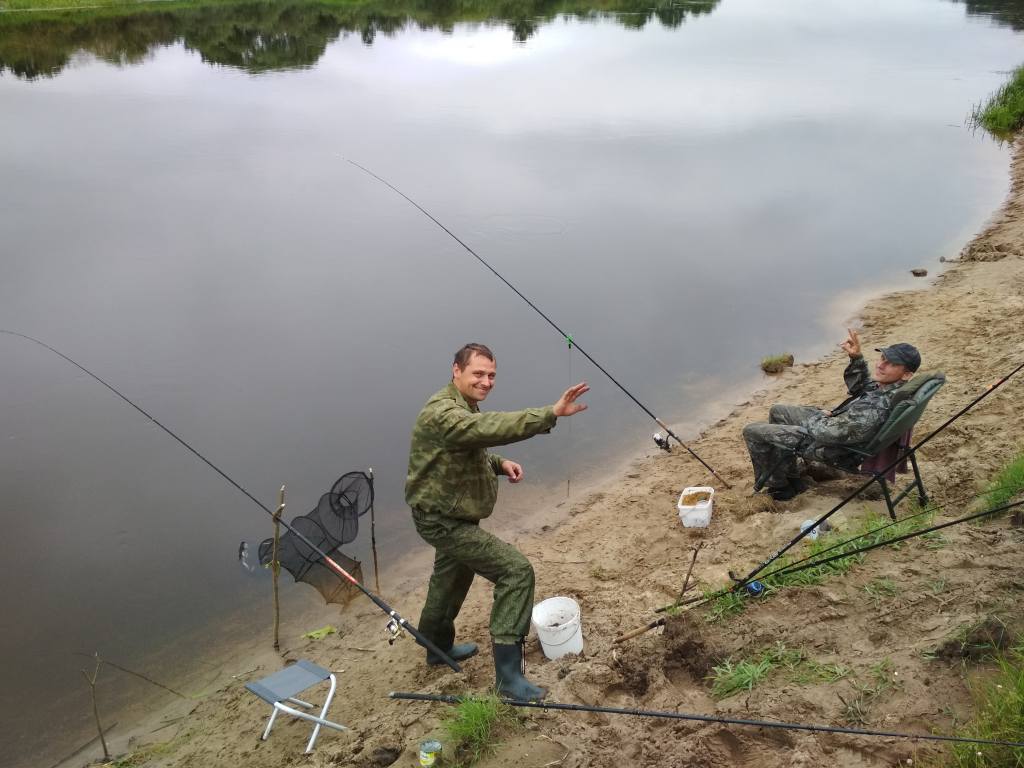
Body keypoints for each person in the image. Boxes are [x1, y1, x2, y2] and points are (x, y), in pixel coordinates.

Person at [405, 343, 589, 701]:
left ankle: (436, 647)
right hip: (444, 521)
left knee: (452, 577)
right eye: (478, 373)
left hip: (452, 514)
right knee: (516, 572)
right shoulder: (442, 412)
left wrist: (498, 464)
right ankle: (508, 678)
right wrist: (550, 413)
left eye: (491, 375)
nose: (486, 382)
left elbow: (470, 446)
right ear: (456, 370)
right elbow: (487, 428)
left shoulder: (463, 406)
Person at [742, 330, 921, 501]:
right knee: (778, 411)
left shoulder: (877, 408)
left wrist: (822, 416)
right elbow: (862, 388)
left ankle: (780, 488)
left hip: (834, 449)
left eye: (892, 364)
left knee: (752, 431)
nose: (881, 365)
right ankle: (792, 477)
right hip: (837, 429)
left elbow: (828, 433)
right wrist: (856, 358)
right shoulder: (890, 390)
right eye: (883, 358)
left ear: (907, 374)